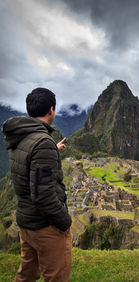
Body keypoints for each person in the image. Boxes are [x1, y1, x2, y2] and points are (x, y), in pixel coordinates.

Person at [2, 88, 72, 282]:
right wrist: (64, 222)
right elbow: (43, 195)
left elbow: (29, 162)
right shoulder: (42, 143)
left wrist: (52, 149)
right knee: (55, 276)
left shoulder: (21, 136)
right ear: (52, 110)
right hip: (45, 226)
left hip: (26, 223)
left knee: (26, 275)